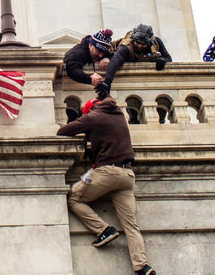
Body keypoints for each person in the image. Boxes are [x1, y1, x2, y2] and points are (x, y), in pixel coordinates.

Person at [57, 86, 156, 275]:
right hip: (127, 175)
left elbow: (63, 131)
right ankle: (142, 266)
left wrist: (85, 127)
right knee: (131, 225)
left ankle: (104, 230)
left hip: (106, 172)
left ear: (88, 110)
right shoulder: (117, 112)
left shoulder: (92, 117)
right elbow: (107, 95)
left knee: (74, 198)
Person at [100, 24, 172, 87]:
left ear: (149, 43)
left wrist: (163, 60)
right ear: (133, 40)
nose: (140, 46)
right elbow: (115, 61)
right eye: (137, 42)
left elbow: (168, 58)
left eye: (143, 44)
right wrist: (107, 82)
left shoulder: (156, 43)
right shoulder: (126, 47)